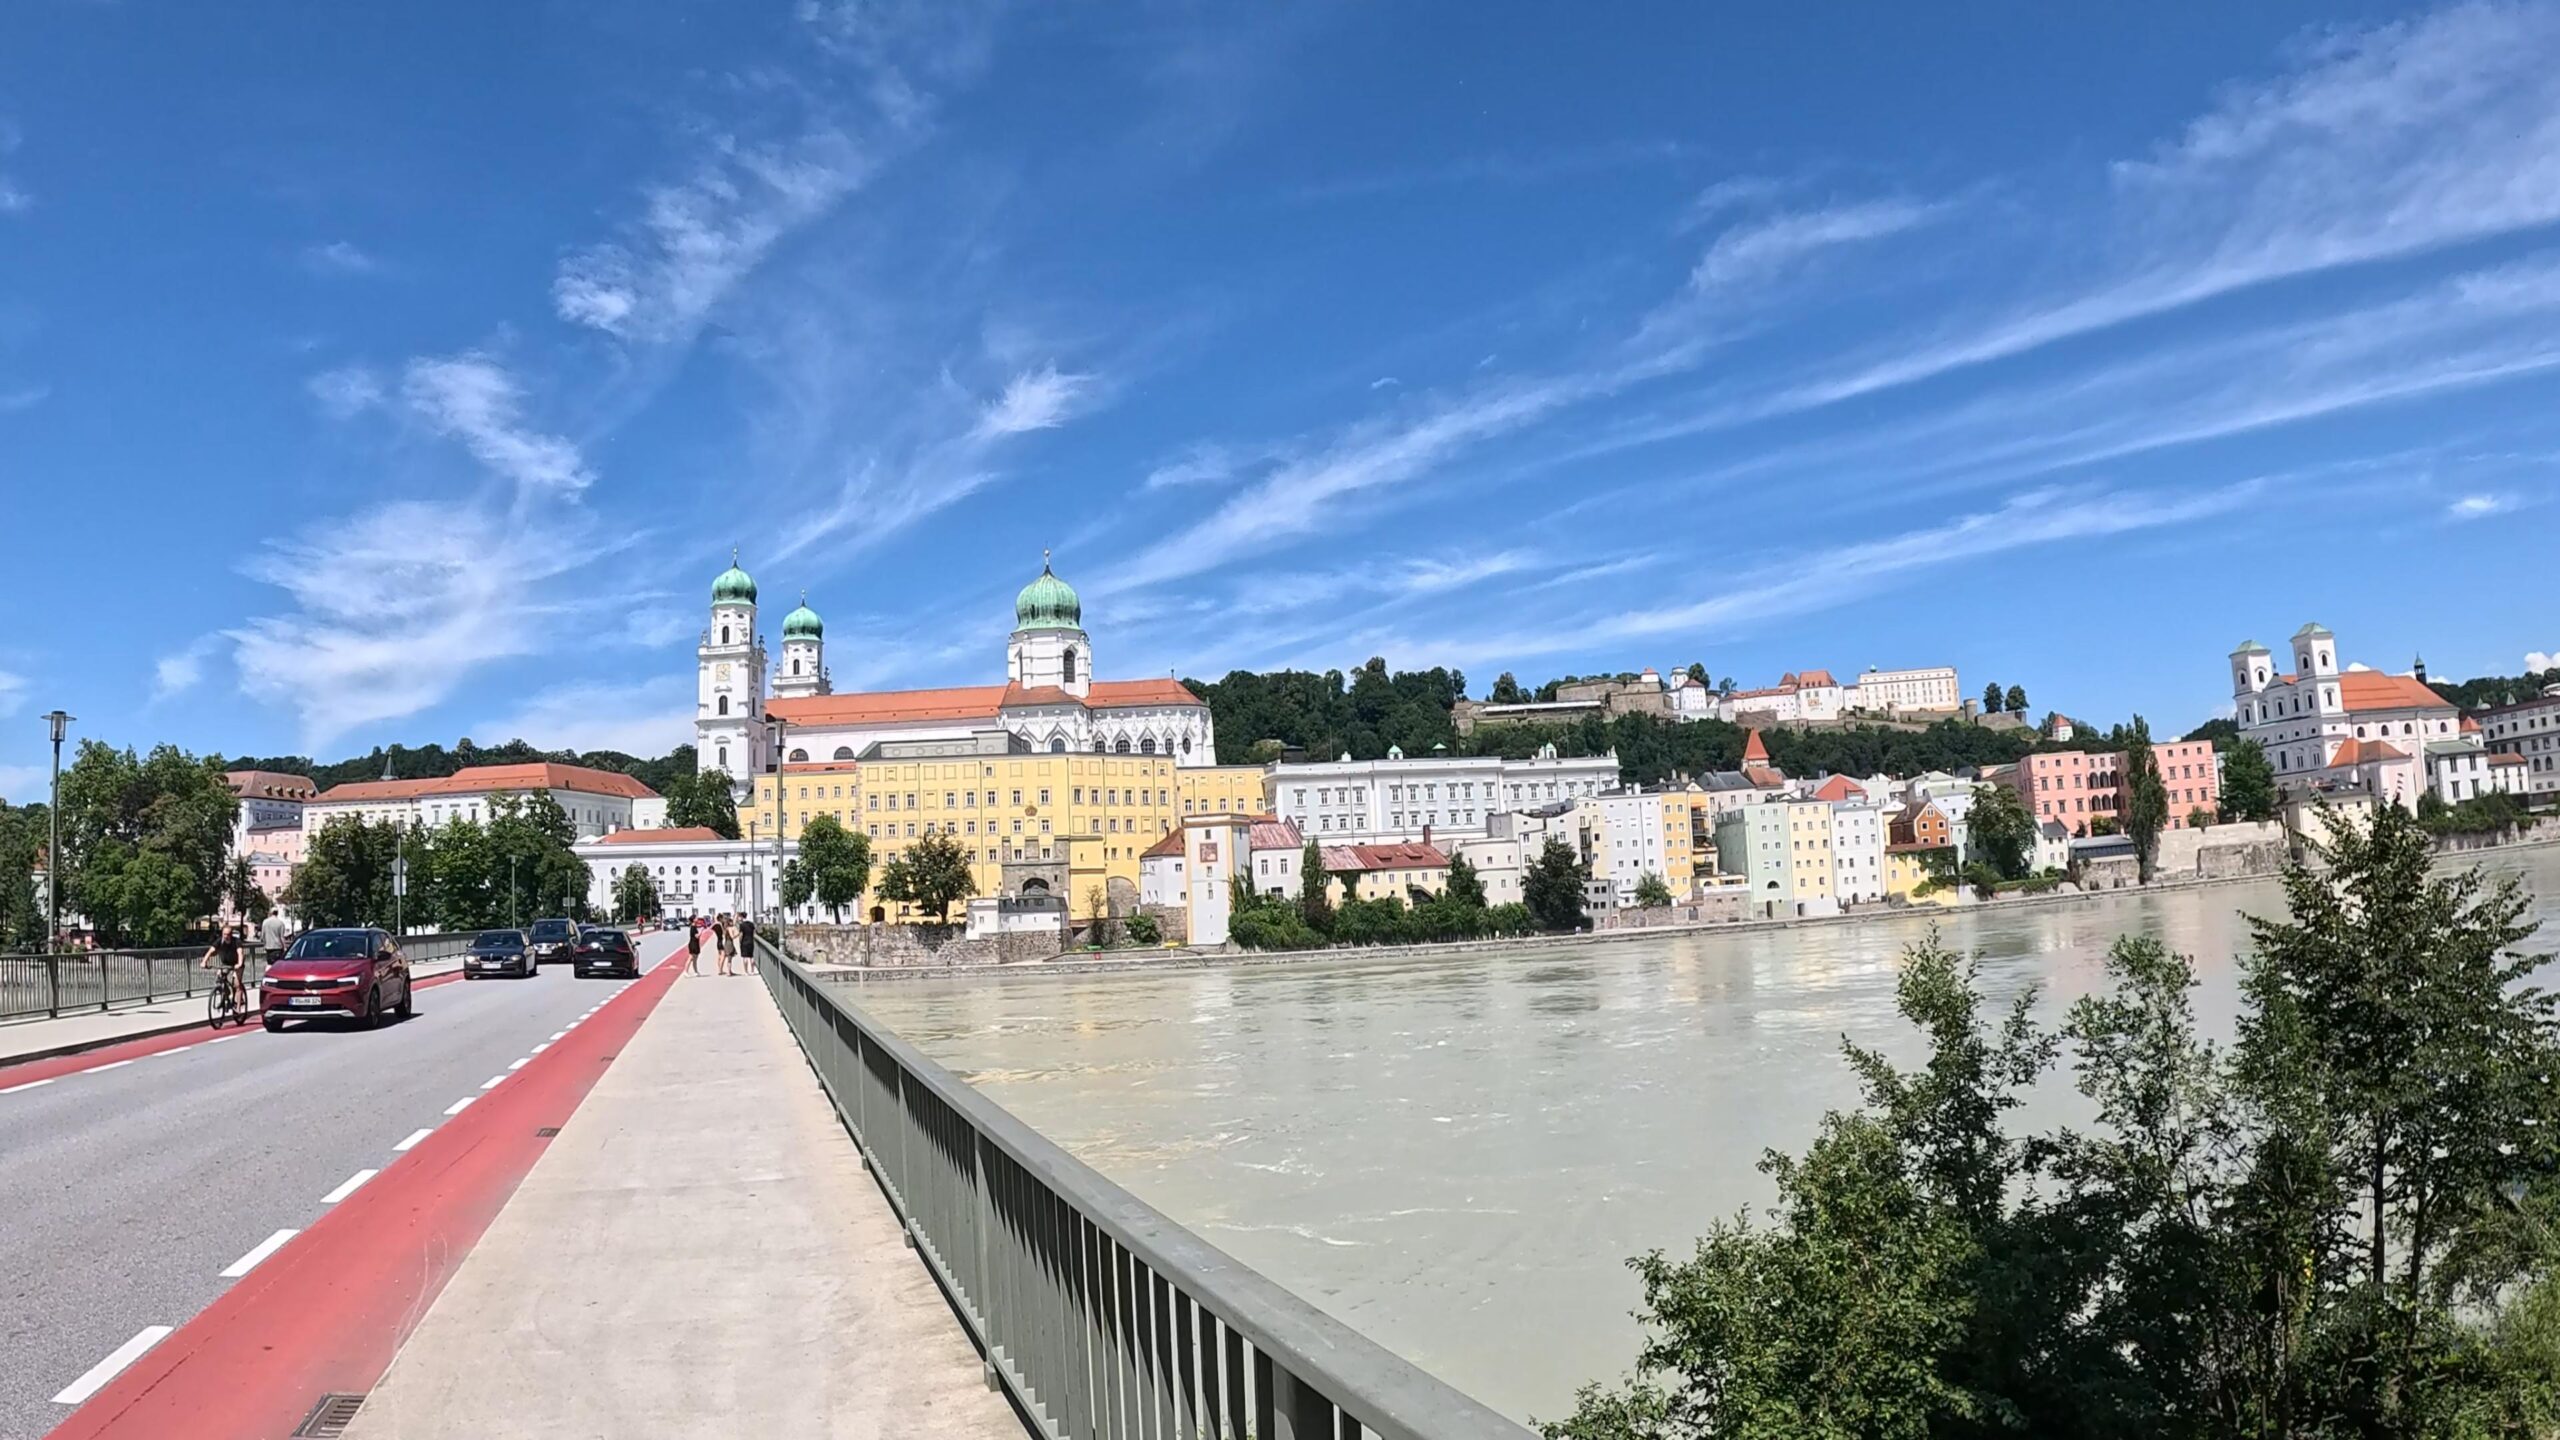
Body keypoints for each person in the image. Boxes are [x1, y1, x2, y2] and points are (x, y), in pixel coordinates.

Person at [200, 923, 247, 1014]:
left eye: (228, 934)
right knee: (220, 978)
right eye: (224, 934)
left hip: (237, 964)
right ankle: (226, 995)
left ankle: (238, 1007)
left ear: (231, 934)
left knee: (237, 984)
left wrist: (239, 963)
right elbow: (210, 951)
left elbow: (240, 953)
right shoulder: (219, 941)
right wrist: (204, 962)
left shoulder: (236, 941)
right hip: (225, 963)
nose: (226, 936)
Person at [714, 913, 736, 977]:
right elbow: (724, 933)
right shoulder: (721, 925)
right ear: (721, 918)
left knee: (719, 956)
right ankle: (720, 970)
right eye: (723, 918)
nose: (724, 919)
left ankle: (720, 969)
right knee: (723, 957)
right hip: (723, 941)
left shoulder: (716, 925)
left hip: (718, 941)